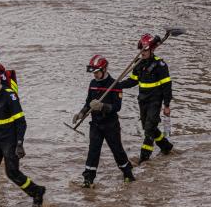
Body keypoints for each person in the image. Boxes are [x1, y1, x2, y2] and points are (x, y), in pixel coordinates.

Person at [0, 70, 45, 207]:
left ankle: (37, 192)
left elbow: (21, 122)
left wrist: (20, 144)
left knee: (12, 173)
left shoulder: (10, 96)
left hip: (10, 140)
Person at [72, 55, 136, 187]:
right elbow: (88, 103)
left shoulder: (115, 85)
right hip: (95, 124)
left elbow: (117, 107)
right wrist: (81, 113)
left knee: (117, 150)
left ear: (104, 69)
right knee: (93, 151)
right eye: (93, 73)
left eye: (97, 72)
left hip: (110, 125)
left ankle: (128, 173)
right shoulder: (93, 84)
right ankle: (88, 179)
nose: (95, 75)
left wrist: (102, 107)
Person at [115, 33, 173, 163]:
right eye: (141, 50)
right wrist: (117, 86)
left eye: (145, 50)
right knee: (150, 128)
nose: (143, 53)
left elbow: (167, 86)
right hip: (143, 100)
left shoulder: (160, 65)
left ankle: (144, 158)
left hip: (155, 100)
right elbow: (133, 81)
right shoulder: (139, 64)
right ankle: (166, 147)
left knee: (148, 131)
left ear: (152, 49)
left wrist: (167, 105)